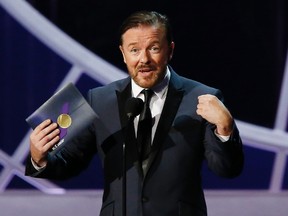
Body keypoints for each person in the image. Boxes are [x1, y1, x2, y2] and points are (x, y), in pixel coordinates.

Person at [25, 10, 244, 216]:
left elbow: (226, 169)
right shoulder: (100, 99)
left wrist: (225, 128)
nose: (144, 59)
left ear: (170, 50)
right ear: (123, 53)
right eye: (134, 50)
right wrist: (39, 158)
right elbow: (69, 163)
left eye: (154, 48)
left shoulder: (201, 97)